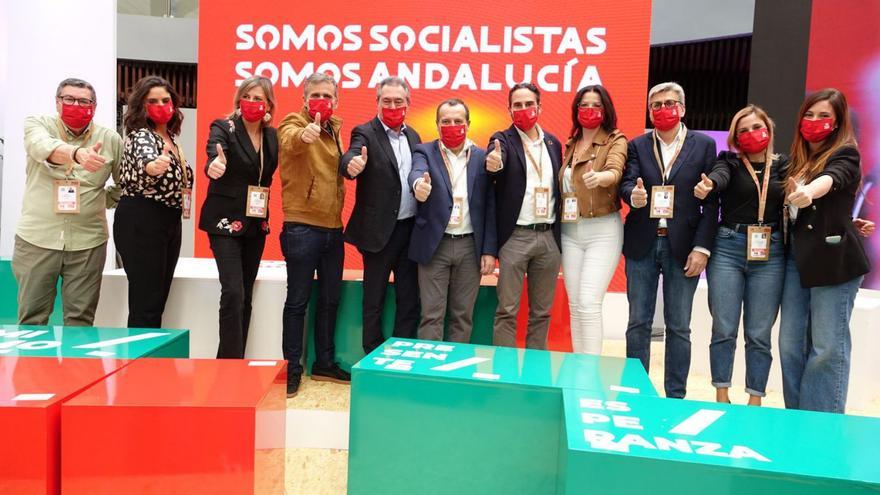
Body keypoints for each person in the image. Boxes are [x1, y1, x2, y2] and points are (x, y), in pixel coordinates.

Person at [618, 82, 718, 399]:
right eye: (656, 105)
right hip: (642, 242)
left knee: (679, 326)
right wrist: (632, 197)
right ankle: (636, 391)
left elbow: (711, 200)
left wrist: (702, 248)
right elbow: (625, 183)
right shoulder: (637, 145)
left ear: (683, 108)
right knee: (638, 322)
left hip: (684, 245)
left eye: (670, 103)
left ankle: (675, 396)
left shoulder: (703, 145)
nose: (663, 109)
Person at [779, 88, 871, 413]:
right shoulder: (794, 161)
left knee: (827, 348)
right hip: (796, 261)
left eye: (824, 116)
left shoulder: (846, 153)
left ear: (837, 122)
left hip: (834, 262)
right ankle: (798, 419)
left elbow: (833, 180)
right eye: (810, 114)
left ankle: (822, 426)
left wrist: (809, 192)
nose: (815, 121)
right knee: (790, 345)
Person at [694, 105, 787, 405]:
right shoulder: (729, 162)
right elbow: (719, 176)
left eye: (756, 127)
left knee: (759, 332)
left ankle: (755, 398)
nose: (750, 134)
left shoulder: (784, 166)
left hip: (770, 252)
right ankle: (721, 393)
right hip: (729, 248)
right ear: (734, 137)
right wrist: (710, 184)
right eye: (742, 130)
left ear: (769, 130)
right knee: (724, 326)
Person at [13, 78, 122, 326]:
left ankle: (76, 367)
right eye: (69, 99)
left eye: (84, 101)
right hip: (37, 239)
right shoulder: (38, 124)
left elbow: (125, 181)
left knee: (81, 320)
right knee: (32, 319)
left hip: (88, 242)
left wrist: (102, 198)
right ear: (57, 102)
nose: (76, 105)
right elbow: (40, 147)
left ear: (94, 106)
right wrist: (76, 154)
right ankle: (33, 366)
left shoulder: (110, 139)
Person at [277, 73, 350, 397]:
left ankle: (324, 362)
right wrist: (304, 134)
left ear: (336, 99)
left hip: (333, 228)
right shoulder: (293, 122)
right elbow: (291, 139)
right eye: (316, 94)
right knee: (298, 302)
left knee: (330, 301)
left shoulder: (335, 129)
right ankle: (291, 369)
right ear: (304, 98)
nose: (322, 100)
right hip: (302, 227)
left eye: (328, 95)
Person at [340, 77, 422, 354]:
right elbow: (350, 158)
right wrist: (352, 164)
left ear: (408, 104)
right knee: (373, 299)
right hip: (377, 233)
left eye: (398, 101)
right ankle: (372, 355)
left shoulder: (414, 136)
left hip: (409, 231)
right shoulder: (364, 132)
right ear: (377, 103)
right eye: (386, 101)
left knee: (409, 299)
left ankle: (403, 351)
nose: (392, 106)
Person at [199, 76, 278, 359]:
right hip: (224, 222)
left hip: (256, 223)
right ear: (239, 99)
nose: (253, 103)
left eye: (260, 98)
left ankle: (232, 360)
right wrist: (214, 164)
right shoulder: (224, 127)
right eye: (248, 96)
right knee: (232, 292)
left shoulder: (271, 136)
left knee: (244, 295)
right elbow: (214, 152)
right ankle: (229, 366)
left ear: (269, 104)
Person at [408, 98, 497, 343]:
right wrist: (419, 185)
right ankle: (429, 374)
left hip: (470, 247)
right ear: (437, 125)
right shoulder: (424, 151)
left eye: (458, 121)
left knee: (462, 316)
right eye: (446, 121)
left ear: (468, 124)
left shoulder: (482, 157)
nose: (452, 125)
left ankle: (452, 375)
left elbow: (490, 206)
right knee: (431, 315)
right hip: (435, 245)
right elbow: (416, 172)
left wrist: (489, 250)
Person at [485, 82, 563, 350]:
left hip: (549, 237)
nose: (523, 109)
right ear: (509, 110)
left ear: (539, 107)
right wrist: (493, 164)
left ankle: (535, 373)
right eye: (517, 105)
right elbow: (495, 162)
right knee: (507, 310)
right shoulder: (502, 140)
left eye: (528, 104)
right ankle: (506, 375)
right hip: (515, 237)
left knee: (541, 313)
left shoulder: (552, 143)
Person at [115, 76, 192, 328]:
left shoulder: (171, 138)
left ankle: (151, 362)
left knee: (157, 300)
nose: (161, 105)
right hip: (142, 216)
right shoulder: (141, 136)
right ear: (141, 106)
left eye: (166, 100)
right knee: (145, 302)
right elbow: (145, 161)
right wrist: (152, 166)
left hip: (169, 218)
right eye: (153, 101)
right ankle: (138, 363)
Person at [559, 85, 627, 355]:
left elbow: (615, 169)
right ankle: (579, 367)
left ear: (605, 109)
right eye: (583, 105)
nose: (589, 110)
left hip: (602, 230)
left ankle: (590, 372)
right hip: (570, 230)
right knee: (576, 305)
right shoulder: (570, 143)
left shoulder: (615, 139)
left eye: (596, 105)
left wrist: (601, 178)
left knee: (589, 301)